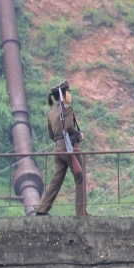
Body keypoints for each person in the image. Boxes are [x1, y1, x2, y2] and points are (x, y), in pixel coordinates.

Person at [35, 79, 85, 216]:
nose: (70, 94)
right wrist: (79, 135)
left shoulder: (51, 113)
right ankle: (81, 214)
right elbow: (69, 127)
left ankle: (41, 209)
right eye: (68, 92)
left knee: (55, 180)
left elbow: (51, 134)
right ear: (63, 94)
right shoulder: (67, 109)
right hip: (69, 149)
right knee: (80, 179)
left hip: (57, 149)